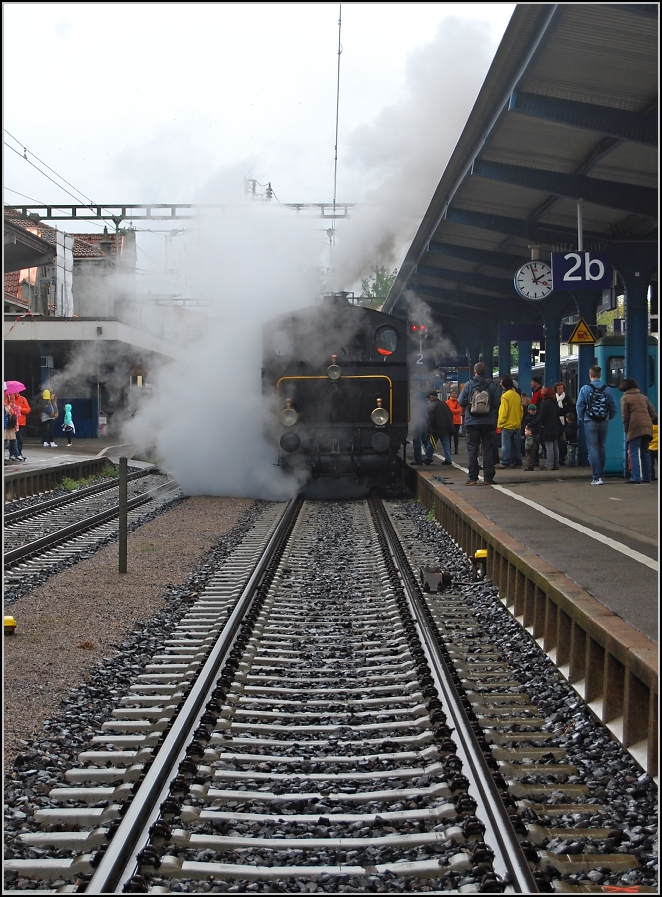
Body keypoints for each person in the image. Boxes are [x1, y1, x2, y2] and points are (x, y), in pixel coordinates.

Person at [458, 362, 500, 485]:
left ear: (475, 372)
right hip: (488, 422)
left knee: (472, 449)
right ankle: (488, 478)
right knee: (488, 449)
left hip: (472, 422)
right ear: (485, 372)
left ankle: (472, 479)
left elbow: (461, 402)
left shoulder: (468, 385)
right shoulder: (491, 386)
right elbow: (497, 403)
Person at [576, 365, 618, 485]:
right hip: (604, 421)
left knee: (592, 448)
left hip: (590, 421)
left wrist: (582, 418)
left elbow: (580, 406)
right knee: (601, 447)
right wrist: (608, 417)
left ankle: (596, 477)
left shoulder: (585, 389)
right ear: (600, 375)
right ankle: (601, 474)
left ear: (590, 375)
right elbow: (613, 407)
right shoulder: (607, 389)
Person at [619, 378, 657, 484]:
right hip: (647, 426)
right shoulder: (643, 397)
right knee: (645, 452)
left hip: (635, 426)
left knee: (634, 452)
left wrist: (626, 429)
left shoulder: (625, 398)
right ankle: (646, 476)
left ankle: (635, 477)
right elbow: (652, 413)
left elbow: (625, 416)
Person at [497, 375, 523, 469]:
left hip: (507, 425)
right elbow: (521, 410)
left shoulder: (505, 396)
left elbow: (504, 411)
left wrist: (500, 423)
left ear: (504, 386)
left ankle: (505, 462)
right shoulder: (517, 395)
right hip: (516, 424)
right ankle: (517, 462)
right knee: (516, 445)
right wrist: (519, 420)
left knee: (506, 445)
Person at [536, 386, 563, 470]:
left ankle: (549, 465)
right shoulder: (554, 403)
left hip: (548, 428)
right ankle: (556, 464)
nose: (541, 391)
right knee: (555, 446)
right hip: (556, 427)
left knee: (549, 447)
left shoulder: (545, 404)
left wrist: (531, 424)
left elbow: (541, 417)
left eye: (543, 390)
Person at [425, 390, 454, 465]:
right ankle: (448, 459)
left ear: (432, 397)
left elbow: (430, 419)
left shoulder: (432, 406)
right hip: (446, 428)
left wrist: (429, 429)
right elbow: (450, 414)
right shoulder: (444, 404)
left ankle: (428, 458)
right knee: (446, 444)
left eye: (429, 398)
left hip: (436, 429)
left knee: (431, 444)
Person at [554, 381, 575, 466]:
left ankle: (561, 458)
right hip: (556, 422)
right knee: (556, 441)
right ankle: (557, 458)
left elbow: (568, 409)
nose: (560, 390)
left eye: (561, 388)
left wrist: (560, 411)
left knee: (563, 441)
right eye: (558, 388)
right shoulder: (553, 398)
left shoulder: (567, 398)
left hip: (565, 423)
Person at [521, 403, 541, 468]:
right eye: (532, 410)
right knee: (532, 449)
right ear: (529, 410)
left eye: (534, 410)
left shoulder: (528, 418)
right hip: (532, 435)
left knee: (532, 449)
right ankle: (534, 462)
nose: (533, 411)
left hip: (533, 435)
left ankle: (533, 462)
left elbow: (525, 426)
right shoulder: (532, 418)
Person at [13, 391, 30, 460]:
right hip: (12, 423)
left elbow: (28, 410)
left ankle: (19, 453)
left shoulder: (23, 399)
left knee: (19, 438)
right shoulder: (9, 399)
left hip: (20, 423)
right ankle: (13, 454)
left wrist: (20, 409)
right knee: (12, 439)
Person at [446, 389, 463, 455]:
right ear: (450, 394)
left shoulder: (458, 402)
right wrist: (454, 410)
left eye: (455, 393)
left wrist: (452, 410)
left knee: (456, 436)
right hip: (450, 421)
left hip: (457, 421)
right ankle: (449, 449)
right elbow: (448, 410)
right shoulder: (447, 402)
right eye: (452, 393)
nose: (454, 395)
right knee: (449, 437)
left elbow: (459, 410)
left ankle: (456, 450)